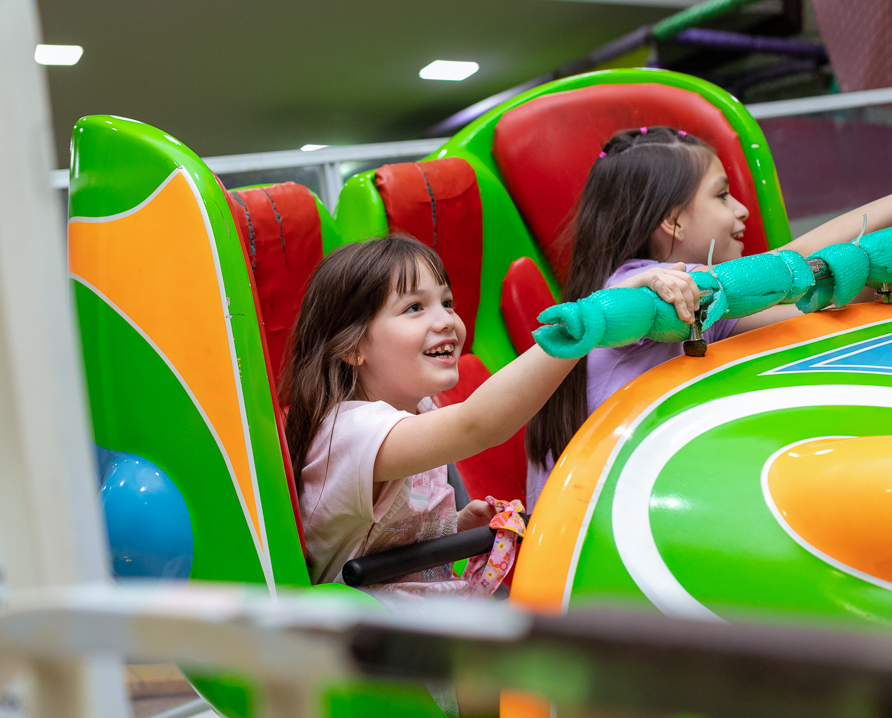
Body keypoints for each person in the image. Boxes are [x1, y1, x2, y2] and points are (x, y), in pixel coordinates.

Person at [525, 125, 892, 506]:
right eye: (722, 196)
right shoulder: (645, 290)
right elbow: (793, 266)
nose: (741, 209)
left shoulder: (700, 313)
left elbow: (825, 303)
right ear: (674, 221)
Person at [280, 234, 692, 599]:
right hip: (362, 642)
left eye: (446, 302)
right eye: (413, 308)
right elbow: (479, 423)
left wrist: (455, 527)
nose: (445, 321)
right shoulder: (349, 432)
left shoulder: (421, 409)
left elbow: (387, 540)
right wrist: (590, 319)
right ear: (352, 348)